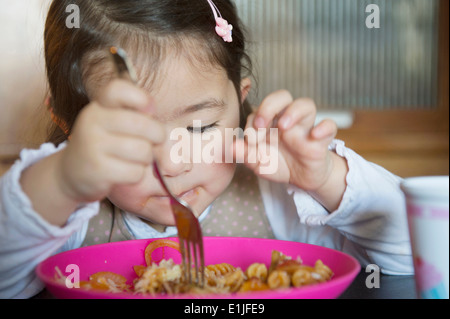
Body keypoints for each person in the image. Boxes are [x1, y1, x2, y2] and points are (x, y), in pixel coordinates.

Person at [0, 0, 413, 299]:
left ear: (240, 99)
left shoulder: (275, 197)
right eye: (132, 135)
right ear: (67, 125)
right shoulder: (67, 217)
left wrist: (326, 179)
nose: (174, 163)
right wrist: (63, 180)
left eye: (200, 127)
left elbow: (412, 255)